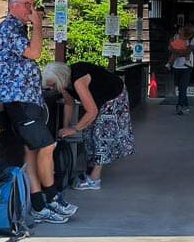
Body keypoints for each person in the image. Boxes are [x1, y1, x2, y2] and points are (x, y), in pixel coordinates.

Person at [0, 0, 78, 224]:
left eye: (32, 4)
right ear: (14, 6)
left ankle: (39, 206)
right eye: (27, 4)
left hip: (30, 100)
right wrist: (38, 26)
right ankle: (52, 197)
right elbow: (35, 52)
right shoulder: (8, 28)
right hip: (19, 101)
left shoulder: (19, 29)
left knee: (31, 153)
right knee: (48, 145)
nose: (32, 9)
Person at [43, 61, 135, 190]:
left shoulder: (78, 81)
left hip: (114, 96)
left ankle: (94, 179)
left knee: (101, 134)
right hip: (98, 99)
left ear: (59, 79)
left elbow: (92, 111)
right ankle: (91, 169)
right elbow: (69, 104)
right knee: (88, 132)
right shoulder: (64, 83)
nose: (52, 89)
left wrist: (74, 129)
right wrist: (65, 128)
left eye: (52, 85)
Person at [168, 23, 194, 115]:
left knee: (183, 86)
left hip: (187, 66)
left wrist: (177, 52)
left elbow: (188, 51)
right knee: (180, 87)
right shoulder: (177, 36)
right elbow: (170, 47)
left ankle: (179, 106)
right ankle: (185, 105)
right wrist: (178, 51)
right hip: (176, 65)